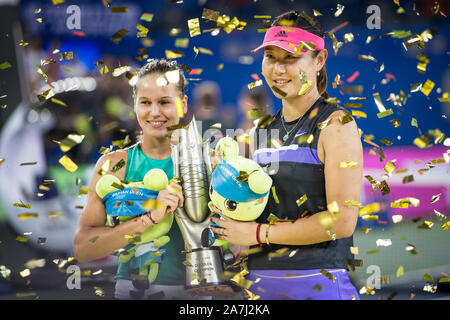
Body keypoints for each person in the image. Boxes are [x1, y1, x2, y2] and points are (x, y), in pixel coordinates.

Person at [209, 11, 363, 300]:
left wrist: (256, 234)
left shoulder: (336, 124)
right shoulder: (260, 131)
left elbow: (342, 221)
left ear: (319, 60)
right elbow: (253, 213)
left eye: (290, 58)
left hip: (319, 286)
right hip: (258, 288)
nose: (278, 69)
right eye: (270, 57)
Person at [73, 58, 205, 300]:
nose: (155, 112)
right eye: (146, 102)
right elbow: (83, 248)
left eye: (165, 102)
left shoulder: (207, 161)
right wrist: (148, 218)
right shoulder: (113, 166)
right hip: (134, 292)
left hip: (195, 294)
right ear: (134, 104)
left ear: (183, 104)